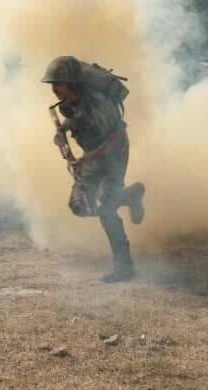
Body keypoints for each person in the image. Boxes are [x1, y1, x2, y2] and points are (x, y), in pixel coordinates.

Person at [42, 56, 145, 282]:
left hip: (113, 154)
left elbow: (116, 139)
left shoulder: (98, 103)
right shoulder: (69, 104)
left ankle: (124, 268)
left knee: (105, 206)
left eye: (57, 84)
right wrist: (62, 133)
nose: (54, 89)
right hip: (92, 154)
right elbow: (77, 120)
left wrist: (87, 158)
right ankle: (129, 196)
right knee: (79, 205)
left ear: (71, 83)